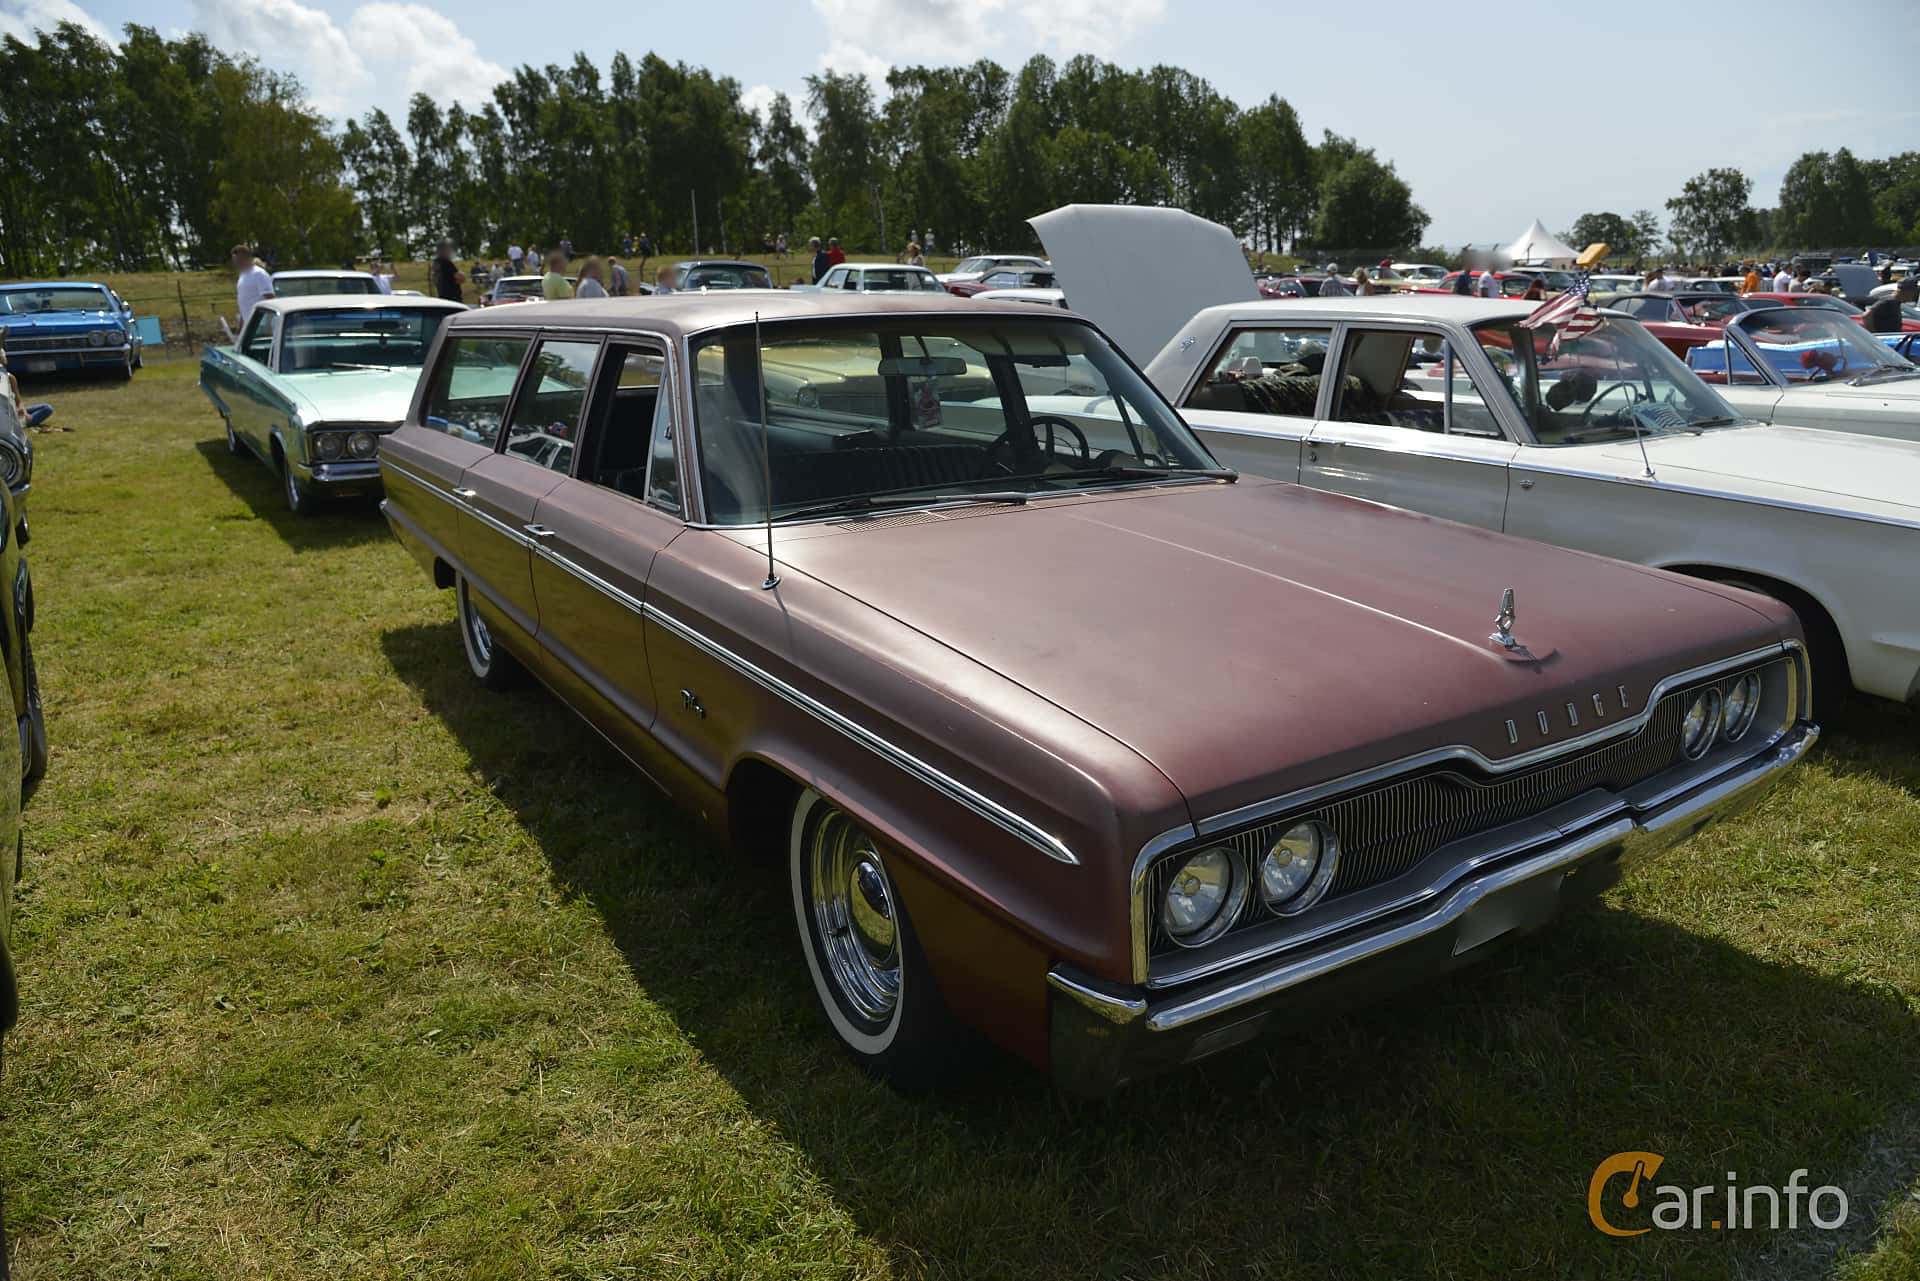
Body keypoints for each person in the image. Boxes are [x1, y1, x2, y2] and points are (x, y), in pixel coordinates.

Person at [232, 244, 274, 323]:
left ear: (246, 258)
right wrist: (241, 326)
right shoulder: (242, 275)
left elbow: (270, 298)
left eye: (239, 261)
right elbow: (243, 302)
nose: (236, 264)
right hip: (249, 324)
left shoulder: (259, 274)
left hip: (261, 324)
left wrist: (268, 324)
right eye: (235, 261)